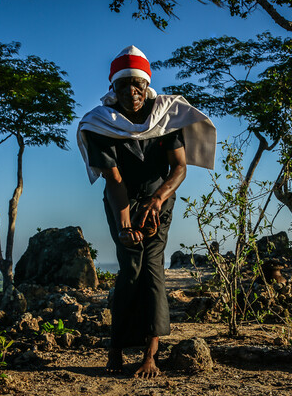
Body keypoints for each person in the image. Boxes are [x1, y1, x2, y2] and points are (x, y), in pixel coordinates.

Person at [77, 46, 216, 378]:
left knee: (152, 269)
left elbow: (179, 168)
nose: (131, 92)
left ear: (147, 84)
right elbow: (114, 180)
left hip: (159, 199)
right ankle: (115, 350)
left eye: (137, 84)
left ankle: (150, 354)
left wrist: (156, 202)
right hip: (121, 200)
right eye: (123, 86)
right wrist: (125, 224)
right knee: (129, 269)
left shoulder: (165, 116)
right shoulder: (101, 123)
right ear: (113, 88)